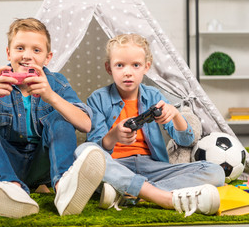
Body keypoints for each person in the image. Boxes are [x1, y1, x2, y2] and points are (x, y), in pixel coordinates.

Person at [0, 18, 105, 219]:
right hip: (5, 163)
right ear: (8, 53)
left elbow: (85, 124)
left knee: (61, 115)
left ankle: (64, 186)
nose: (27, 56)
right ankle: (12, 188)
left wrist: (51, 97)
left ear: (48, 58)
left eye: (36, 51)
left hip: (44, 165)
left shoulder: (56, 83)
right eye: (20, 48)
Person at [76, 33, 225, 217]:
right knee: (84, 149)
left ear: (146, 67)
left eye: (135, 65)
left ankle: (133, 193)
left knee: (215, 171)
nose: (128, 72)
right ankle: (161, 196)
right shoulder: (98, 99)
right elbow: (96, 153)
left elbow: (186, 141)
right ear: (109, 68)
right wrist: (113, 136)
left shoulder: (154, 97)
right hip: (116, 167)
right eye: (120, 65)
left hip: (152, 167)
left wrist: (176, 115)